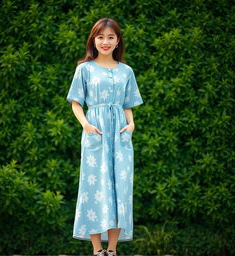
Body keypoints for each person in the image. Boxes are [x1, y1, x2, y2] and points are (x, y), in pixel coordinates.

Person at [66, 17, 144, 256]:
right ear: (93, 40)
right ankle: (97, 250)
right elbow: (76, 103)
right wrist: (87, 125)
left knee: (119, 188)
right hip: (96, 133)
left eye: (111, 37)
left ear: (118, 40)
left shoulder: (126, 71)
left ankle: (112, 250)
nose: (105, 41)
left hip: (120, 135)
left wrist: (131, 124)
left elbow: (128, 104)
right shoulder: (85, 69)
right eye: (100, 37)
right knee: (94, 186)